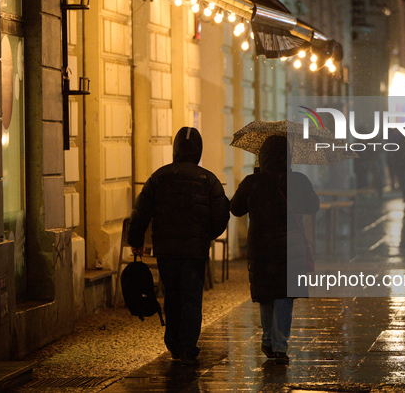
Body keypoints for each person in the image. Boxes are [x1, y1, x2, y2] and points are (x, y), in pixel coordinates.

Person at [128, 127, 230, 365]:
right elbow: (221, 214)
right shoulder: (209, 179)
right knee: (192, 297)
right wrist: (207, 235)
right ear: (198, 150)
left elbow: (140, 210)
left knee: (172, 295)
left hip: (167, 250)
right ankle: (187, 345)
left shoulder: (159, 177)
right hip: (195, 252)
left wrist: (136, 240)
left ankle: (173, 342)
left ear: (175, 149)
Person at [230, 135, 319, 364]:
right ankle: (279, 346)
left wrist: (257, 178)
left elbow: (236, 208)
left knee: (266, 295)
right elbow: (313, 206)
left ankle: (269, 339)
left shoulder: (254, 181)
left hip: (262, 248)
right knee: (284, 296)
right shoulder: (298, 180)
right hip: (291, 249)